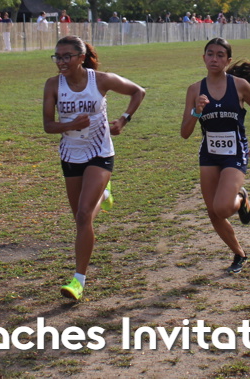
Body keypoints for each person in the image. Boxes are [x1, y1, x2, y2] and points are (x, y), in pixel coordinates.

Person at [43, 35, 145, 301]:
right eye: (57, 57)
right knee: (80, 217)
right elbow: (48, 125)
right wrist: (70, 125)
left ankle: (78, 281)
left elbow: (138, 91)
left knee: (83, 215)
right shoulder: (53, 85)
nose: (61, 62)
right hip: (70, 154)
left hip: (100, 152)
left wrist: (123, 120)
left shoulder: (100, 80)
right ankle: (104, 193)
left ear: (81, 57)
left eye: (67, 56)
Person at [180, 37, 250, 274]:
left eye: (220, 55)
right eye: (210, 54)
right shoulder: (194, 90)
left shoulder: (239, 85)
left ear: (228, 61)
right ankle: (239, 254)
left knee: (223, 208)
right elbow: (185, 133)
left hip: (235, 152)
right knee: (213, 213)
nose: (214, 59)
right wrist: (196, 111)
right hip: (209, 154)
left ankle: (241, 198)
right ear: (203, 57)